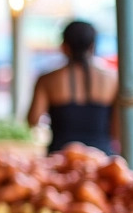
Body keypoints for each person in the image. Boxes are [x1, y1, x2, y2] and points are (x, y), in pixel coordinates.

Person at [27, 20, 118, 154]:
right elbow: (117, 131)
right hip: (102, 159)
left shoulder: (47, 80)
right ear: (93, 46)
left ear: (64, 47)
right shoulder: (112, 79)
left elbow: (32, 120)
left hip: (61, 159)